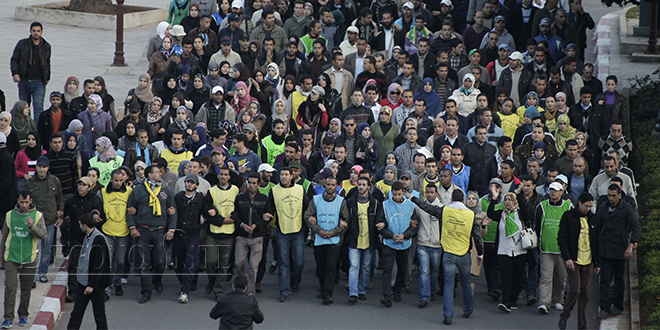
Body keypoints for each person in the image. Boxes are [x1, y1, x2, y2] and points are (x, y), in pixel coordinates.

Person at [410, 189, 482, 324]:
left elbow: (427, 207)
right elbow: (477, 235)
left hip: (448, 253)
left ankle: (448, 315)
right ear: (463, 200)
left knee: (448, 284)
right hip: (464, 253)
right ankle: (468, 309)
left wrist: (413, 198)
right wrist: (480, 253)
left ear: (452, 200)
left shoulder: (445, 210)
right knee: (466, 282)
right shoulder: (470, 214)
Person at [126, 165, 177, 304]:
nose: (160, 174)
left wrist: (171, 229)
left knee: (160, 262)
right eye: (157, 172)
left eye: (160, 172)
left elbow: (173, 211)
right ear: (149, 175)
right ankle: (146, 292)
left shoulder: (166, 189)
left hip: (160, 231)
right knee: (144, 264)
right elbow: (130, 210)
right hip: (143, 231)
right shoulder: (138, 190)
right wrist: (132, 227)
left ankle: (157, 280)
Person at [0, 190, 47, 329]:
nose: (24, 205)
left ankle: (23, 315)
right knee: (10, 288)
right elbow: (4, 237)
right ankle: (8, 317)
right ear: (17, 200)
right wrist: (1, 256)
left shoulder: (38, 216)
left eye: (27, 202)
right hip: (12, 258)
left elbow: (43, 234)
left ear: (31, 200)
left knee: (26, 290)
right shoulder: (9, 215)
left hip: (29, 258)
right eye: (22, 202)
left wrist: (32, 226)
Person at [304, 177, 349, 305]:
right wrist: (318, 230)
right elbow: (307, 216)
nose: (330, 187)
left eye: (333, 185)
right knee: (321, 266)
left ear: (336, 186)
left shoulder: (341, 201)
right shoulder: (316, 199)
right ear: (324, 186)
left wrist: (335, 232)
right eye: (328, 184)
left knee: (331, 266)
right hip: (319, 238)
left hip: (334, 239)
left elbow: (346, 220)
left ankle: (328, 293)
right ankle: (323, 288)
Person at [557, 192, 598, 330]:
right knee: (575, 289)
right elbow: (561, 238)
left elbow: (596, 242)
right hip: (573, 260)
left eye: (590, 206)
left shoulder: (593, 219)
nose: (588, 209)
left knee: (584, 294)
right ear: (579, 203)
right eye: (586, 206)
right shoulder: (568, 217)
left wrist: (597, 263)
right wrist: (567, 257)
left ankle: (582, 325)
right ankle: (564, 315)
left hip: (588, 261)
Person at [269, 167, 310, 302]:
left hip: (298, 230)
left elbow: (307, 207)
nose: (283, 177)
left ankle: (294, 280)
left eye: (286, 174)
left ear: (292, 176)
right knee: (283, 263)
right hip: (282, 231)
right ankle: (284, 291)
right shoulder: (274, 191)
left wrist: (307, 226)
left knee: (299, 262)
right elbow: (270, 209)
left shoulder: (300, 189)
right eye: (281, 174)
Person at [65, 213, 111, 330]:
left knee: (99, 314)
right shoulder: (88, 236)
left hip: (95, 285)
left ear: (85, 225)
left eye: (80, 224)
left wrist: (91, 285)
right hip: (83, 282)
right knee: (77, 312)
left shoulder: (98, 239)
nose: (79, 227)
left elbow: (98, 265)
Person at [486, 189, 529, 313]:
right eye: (506, 200)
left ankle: (513, 299)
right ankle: (505, 301)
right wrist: (494, 199)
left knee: (517, 277)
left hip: (519, 250)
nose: (507, 202)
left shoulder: (520, 213)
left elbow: (526, 210)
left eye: (510, 200)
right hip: (504, 250)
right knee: (506, 277)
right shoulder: (501, 214)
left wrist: (519, 194)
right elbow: (490, 212)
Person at [379, 181, 419, 307]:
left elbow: (414, 227)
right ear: (391, 192)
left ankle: (397, 291)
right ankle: (386, 295)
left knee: (402, 269)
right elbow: (380, 224)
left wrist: (404, 236)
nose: (396, 197)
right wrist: (392, 235)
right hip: (389, 242)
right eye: (394, 194)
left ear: (403, 192)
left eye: (399, 194)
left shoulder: (410, 205)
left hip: (404, 243)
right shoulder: (385, 205)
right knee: (387, 269)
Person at [24, 156, 62, 284]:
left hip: (50, 220)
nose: (42, 169)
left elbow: (60, 199)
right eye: (40, 166)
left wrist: (60, 216)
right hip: (35, 221)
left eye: (44, 167)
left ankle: (42, 273)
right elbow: (25, 201)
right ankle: (32, 276)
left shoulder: (54, 181)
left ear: (48, 168)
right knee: (33, 250)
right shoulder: (30, 183)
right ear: (36, 167)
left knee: (46, 250)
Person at [346, 177, 382, 304]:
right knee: (354, 266)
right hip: (354, 240)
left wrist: (382, 224)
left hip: (369, 240)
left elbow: (380, 218)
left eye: (363, 185)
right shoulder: (350, 202)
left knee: (366, 267)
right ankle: (353, 293)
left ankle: (362, 291)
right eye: (359, 184)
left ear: (368, 186)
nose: (361, 187)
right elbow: (345, 217)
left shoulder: (375, 203)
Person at [11, 22, 51, 123]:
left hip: (39, 82)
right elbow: (14, 59)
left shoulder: (46, 46)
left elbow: (47, 62)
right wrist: (15, 73)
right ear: (30, 31)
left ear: (41, 32)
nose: (36, 33)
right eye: (34, 31)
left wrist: (47, 77)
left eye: (38, 31)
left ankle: (36, 133)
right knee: (24, 108)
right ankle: (26, 130)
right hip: (24, 81)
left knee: (38, 108)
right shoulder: (22, 44)